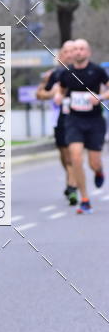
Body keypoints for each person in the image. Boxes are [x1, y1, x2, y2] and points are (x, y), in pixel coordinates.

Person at [58, 39, 109, 214]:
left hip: (95, 121)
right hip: (74, 121)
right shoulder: (67, 73)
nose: (78, 52)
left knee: (94, 162)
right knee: (76, 157)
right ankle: (85, 199)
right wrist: (58, 96)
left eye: (82, 49)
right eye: (76, 49)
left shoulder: (97, 71)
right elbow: (61, 90)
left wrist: (101, 97)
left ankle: (99, 170)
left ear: (88, 52)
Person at [36, 40, 77, 204]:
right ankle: (71, 180)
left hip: (79, 118)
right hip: (60, 118)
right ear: (61, 55)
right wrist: (51, 93)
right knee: (65, 155)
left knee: (74, 153)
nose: (68, 55)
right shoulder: (55, 74)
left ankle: (72, 186)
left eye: (71, 51)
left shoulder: (84, 72)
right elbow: (40, 94)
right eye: (65, 52)